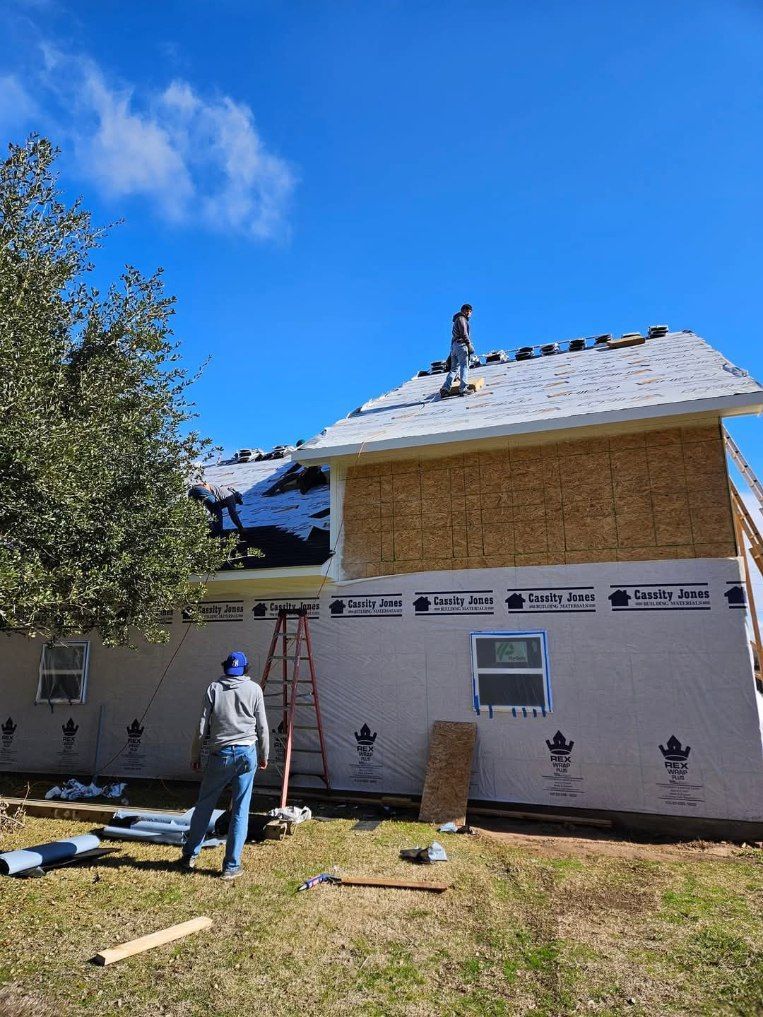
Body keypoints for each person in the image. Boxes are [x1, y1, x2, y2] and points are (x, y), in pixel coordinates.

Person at [179, 651, 269, 880]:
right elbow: (262, 727)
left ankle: (189, 855)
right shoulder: (254, 689)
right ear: (246, 669)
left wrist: (195, 754)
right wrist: (264, 754)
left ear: (225, 668)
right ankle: (230, 867)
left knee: (204, 806)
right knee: (240, 809)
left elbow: (202, 727)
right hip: (247, 752)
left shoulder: (214, 689)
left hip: (220, 754)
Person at [440, 304, 475, 397]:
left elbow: (454, 338)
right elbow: (464, 333)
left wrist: (451, 352)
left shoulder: (456, 320)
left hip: (454, 346)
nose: (469, 313)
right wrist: (469, 344)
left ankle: (445, 388)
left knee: (454, 369)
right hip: (462, 344)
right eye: (468, 311)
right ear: (464, 311)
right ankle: (463, 389)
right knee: (464, 366)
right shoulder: (462, 319)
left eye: (470, 312)